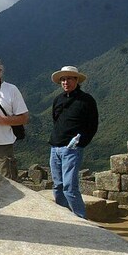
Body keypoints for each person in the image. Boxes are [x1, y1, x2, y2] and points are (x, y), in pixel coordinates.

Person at [49, 65, 99, 219]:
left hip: (71, 150)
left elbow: (92, 125)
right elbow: (56, 120)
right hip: (55, 148)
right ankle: (63, 218)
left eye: (69, 78)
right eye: (63, 79)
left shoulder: (86, 100)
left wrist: (80, 142)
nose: (66, 82)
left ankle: (80, 218)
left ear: (76, 80)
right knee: (58, 186)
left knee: (69, 187)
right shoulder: (58, 100)